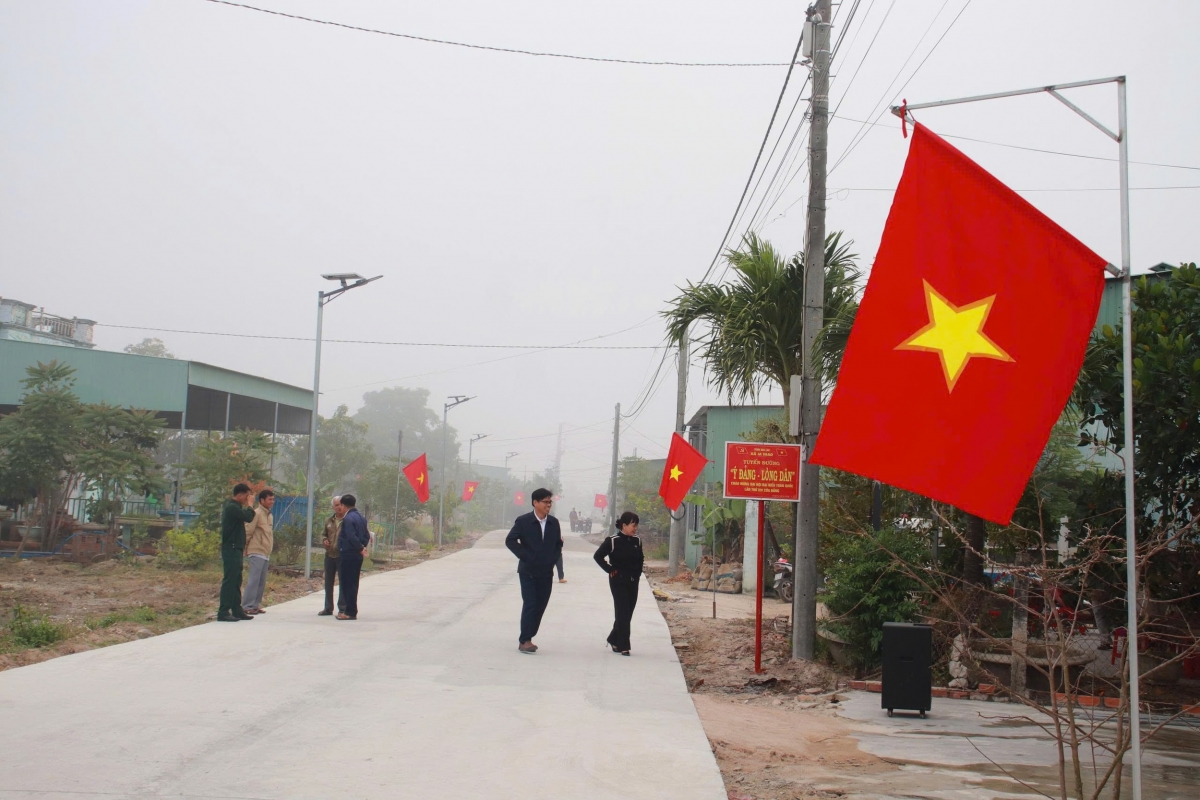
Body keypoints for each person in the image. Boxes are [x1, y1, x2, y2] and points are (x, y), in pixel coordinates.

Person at [505, 488, 562, 654]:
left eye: (550, 502)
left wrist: (552, 559)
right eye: (545, 502)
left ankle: (529, 634)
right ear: (535, 502)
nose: (548, 505)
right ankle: (525, 640)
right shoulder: (523, 521)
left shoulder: (553, 523)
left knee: (541, 605)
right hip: (528, 571)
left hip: (546, 572)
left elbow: (558, 544)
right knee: (530, 603)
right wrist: (526, 556)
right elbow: (510, 540)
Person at [593, 511, 644, 656]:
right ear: (624, 525)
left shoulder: (637, 541)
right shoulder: (613, 540)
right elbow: (598, 556)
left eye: (636, 525)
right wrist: (609, 569)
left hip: (633, 581)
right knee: (622, 612)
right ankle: (624, 645)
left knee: (628, 612)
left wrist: (638, 573)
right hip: (618, 581)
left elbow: (641, 559)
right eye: (633, 525)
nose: (635, 528)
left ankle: (613, 639)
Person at [218, 483, 257, 622]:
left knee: (236, 579)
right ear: (239, 495)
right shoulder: (231, 508)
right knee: (230, 580)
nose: (248, 499)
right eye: (246, 496)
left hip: (237, 548)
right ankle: (223, 611)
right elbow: (248, 517)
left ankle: (236, 609)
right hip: (231, 548)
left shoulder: (236, 507)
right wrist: (251, 505)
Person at [336, 494, 370, 620]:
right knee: (354, 583)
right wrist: (362, 547)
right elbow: (367, 535)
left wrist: (360, 548)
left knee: (347, 583)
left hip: (348, 554)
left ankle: (349, 612)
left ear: (344, 505)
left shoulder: (348, 519)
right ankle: (351, 610)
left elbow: (350, 536)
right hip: (357, 556)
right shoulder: (361, 518)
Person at [241, 489, 275, 615]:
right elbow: (248, 531)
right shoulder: (256, 513)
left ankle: (255, 605)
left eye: (273, 499)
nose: (272, 502)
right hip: (256, 551)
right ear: (262, 500)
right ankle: (247, 605)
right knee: (254, 580)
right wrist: (244, 548)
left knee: (261, 581)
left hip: (266, 552)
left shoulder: (269, 515)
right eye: (269, 499)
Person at [318, 496, 347, 617]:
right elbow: (323, 534)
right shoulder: (329, 521)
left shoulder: (348, 521)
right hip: (330, 555)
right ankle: (328, 607)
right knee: (328, 582)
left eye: (340, 504)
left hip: (342, 555)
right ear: (333, 507)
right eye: (336, 505)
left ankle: (342, 608)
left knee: (343, 583)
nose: (339, 507)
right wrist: (324, 540)